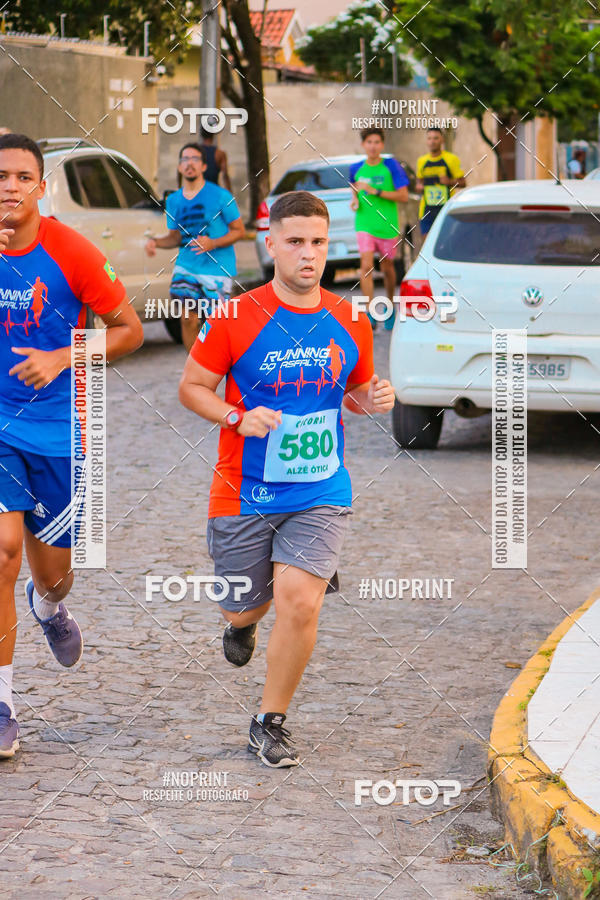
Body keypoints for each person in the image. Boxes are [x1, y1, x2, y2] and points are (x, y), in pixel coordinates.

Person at [179, 190, 395, 767]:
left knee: (300, 601)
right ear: (269, 243)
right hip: (242, 490)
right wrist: (236, 416)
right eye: (295, 241)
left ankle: (268, 722)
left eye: (319, 243)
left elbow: (353, 397)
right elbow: (191, 387)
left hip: (321, 488)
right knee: (242, 607)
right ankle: (241, 625)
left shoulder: (350, 317)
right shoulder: (233, 316)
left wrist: (373, 399)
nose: (308, 254)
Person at [0, 133, 143, 758]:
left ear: (41, 187)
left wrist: (63, 356)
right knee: (3, 551)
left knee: (52, 574)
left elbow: (130, 331)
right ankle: (3, 703)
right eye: (0, 176)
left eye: (22, 177)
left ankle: (49, 607)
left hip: (60, 433)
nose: (10, 187)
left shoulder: (72, 252)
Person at [145, 143, 244, 352]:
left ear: (204, 167)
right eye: (185, 159)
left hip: (217, 268)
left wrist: (213, 243)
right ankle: (194, 368)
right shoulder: (173, 201)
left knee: (216, 324)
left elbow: (239, 230)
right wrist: (156, 242)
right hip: (186, 266)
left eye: (195, 159)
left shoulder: (221, 196)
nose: (189, 163)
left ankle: (221, 364)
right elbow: (175, 238)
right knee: (187, 318)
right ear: (180, 167)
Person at [349, 128, 409, 331]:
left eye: (376, 142)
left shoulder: (391, 166)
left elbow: (403, 196)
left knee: (387, 267)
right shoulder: (355, 167)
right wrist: (355, 201)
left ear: (382, 145)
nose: (373, 146)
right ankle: (369, 312)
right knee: (366, 266)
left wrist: (376, 191)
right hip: (364, 223)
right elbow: (355, 190)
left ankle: (390, 306)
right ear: (363, 145)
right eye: (369, 142)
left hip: (387, 225)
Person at [416, 128, 466, 236]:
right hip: (426, 210)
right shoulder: (421, 161)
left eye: (436, 138)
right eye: (429, 138)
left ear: (442, 140)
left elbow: (463, 183)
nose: (432, 141)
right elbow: (418, 183)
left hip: (445, 208)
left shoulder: (451, 159)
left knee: (445, 243)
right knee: (426, 245)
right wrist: (419, 187)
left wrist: (449, 182)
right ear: (426, 141)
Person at [199, 127, 232, 191]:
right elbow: (225, 176)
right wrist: (230, 194)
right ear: (213, 135)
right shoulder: (220, 154)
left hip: (198, 191)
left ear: (201, 135)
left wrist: (179, 186)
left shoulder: (195, 152)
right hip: (214, 191)